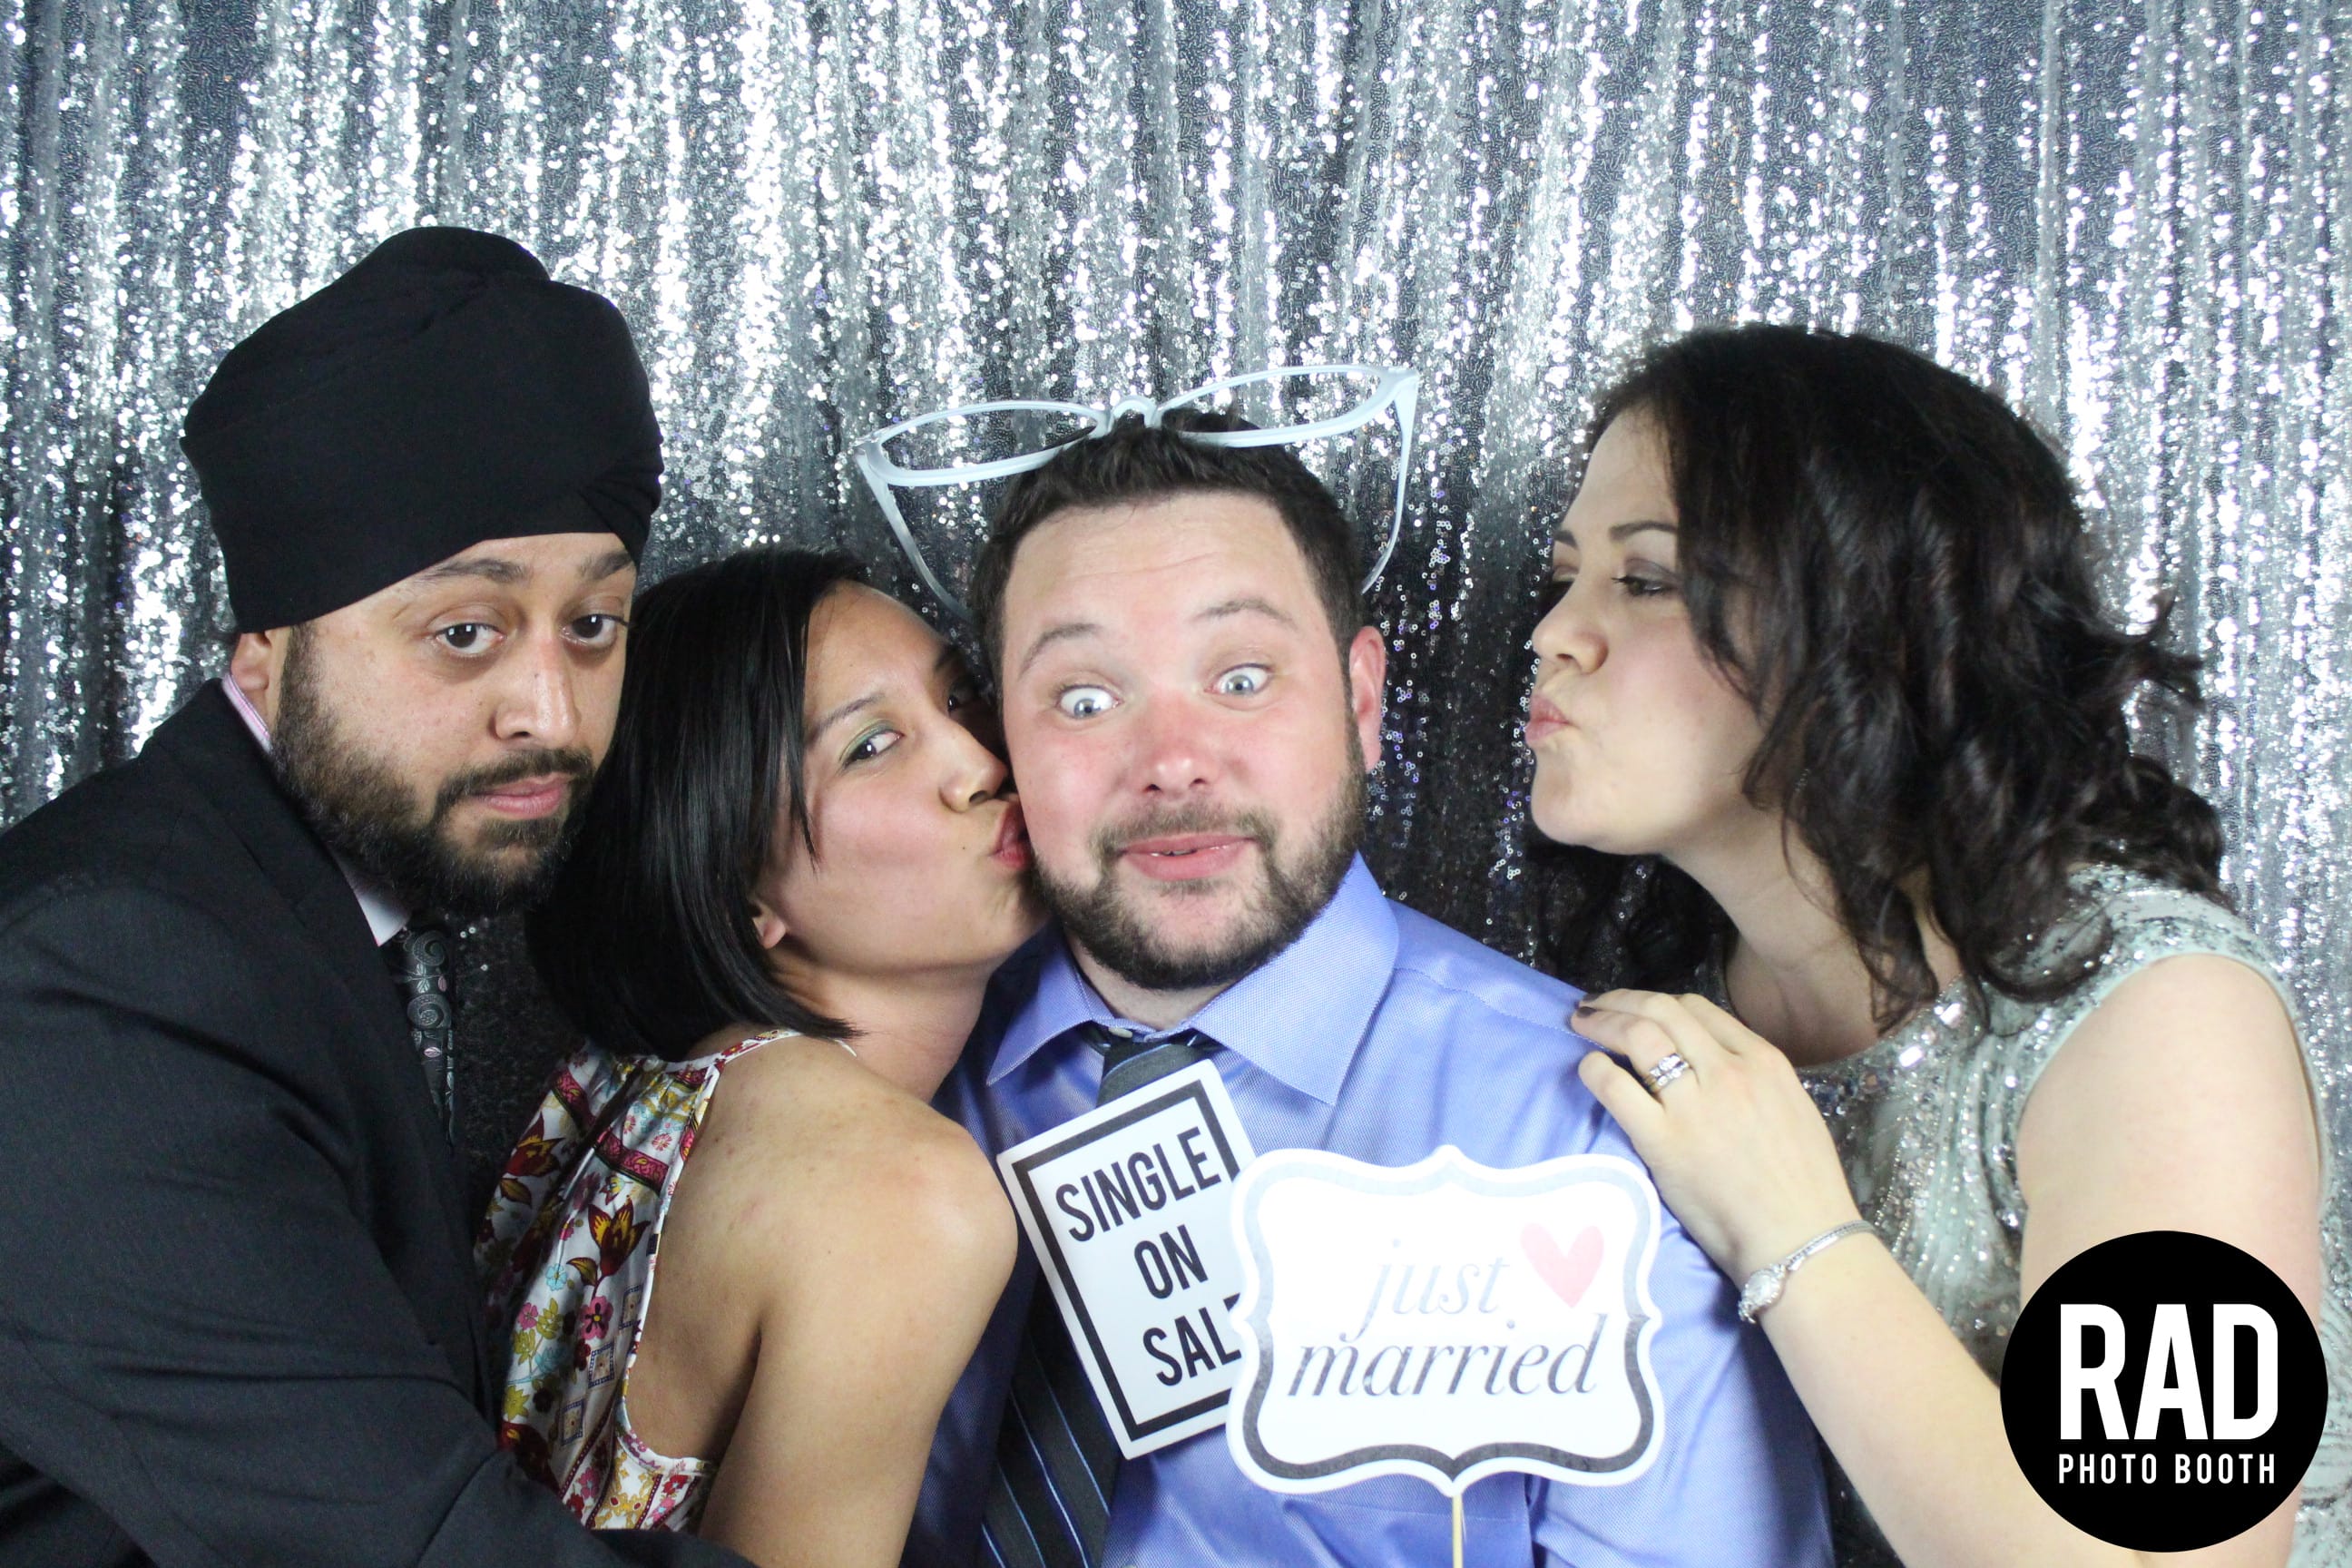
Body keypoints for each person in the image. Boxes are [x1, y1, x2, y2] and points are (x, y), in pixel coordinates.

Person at [910, 408, 1832, 1566]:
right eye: (1084, 700)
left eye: (1242, 678)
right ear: (1003, 736)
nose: (1173, 762)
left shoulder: (1596, 1146)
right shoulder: (906, 1071)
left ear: (1360, 701)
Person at [1526, 322, 2347, 1566]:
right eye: (1565, 576)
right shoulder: (1666, 1020)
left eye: (1646, 582)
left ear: (1878, 628)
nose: (1554, 634)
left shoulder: (2159, 1017)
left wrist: (1792, 1233)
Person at [0, 227, 754, 1566]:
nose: (550, 712)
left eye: (593, 624)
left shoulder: (299, 901)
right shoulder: (99, 979)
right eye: (464, 632)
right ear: (265, 643)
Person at [478, 545, 1036, 1567]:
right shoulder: (898, 1196)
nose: (980, 764)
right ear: (740, 895)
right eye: (872, 746)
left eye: (961, 696)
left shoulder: (627, 1080)